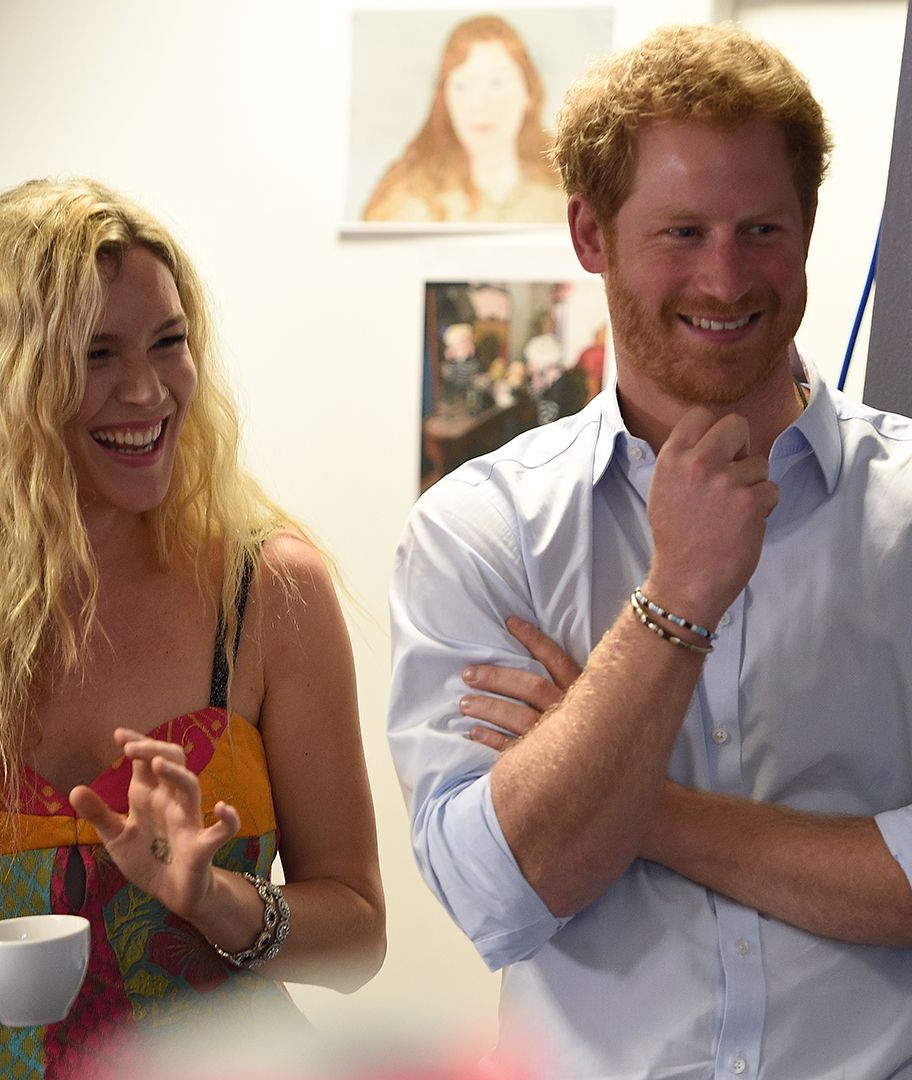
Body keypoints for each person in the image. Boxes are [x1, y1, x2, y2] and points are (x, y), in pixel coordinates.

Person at [388, 23, 912, 1080]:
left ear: (809, 226)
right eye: (680, 233)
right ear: (591, 234)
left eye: (761, 228)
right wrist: (676, 597)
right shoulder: (479, 531)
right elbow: (502, 896)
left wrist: (638, 801)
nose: (724, 280)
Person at [0, 179, 385, 1077]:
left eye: (169, 343)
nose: (147, 390)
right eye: (93, 356)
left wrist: (219, 902)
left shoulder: (268, 590)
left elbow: (358, 937)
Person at [362, 15, 567, 224]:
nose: (480, 103)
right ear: (446, 100)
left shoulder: (566, 194)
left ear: (528, 93)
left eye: (497, 82)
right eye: (463, 86)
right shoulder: (412, 203)